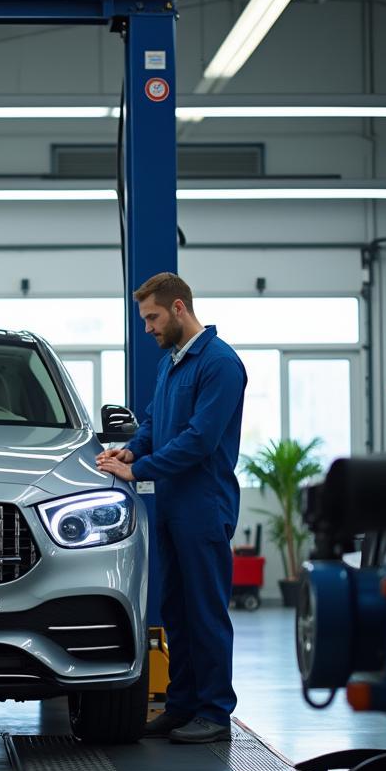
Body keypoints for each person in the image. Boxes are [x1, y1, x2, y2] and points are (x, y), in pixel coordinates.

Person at [96, 273, 247, 744]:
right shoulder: (173, 363)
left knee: (205, 611)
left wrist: (139, 471)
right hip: (172, 505)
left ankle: (216, 713)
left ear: (179, 308)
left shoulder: (219, 364)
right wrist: (130, 452)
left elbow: (199, 441)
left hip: (204, 504)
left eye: (153, 317)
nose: (148, 328)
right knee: (176, 611)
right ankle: (181, 705)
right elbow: (155, 423)